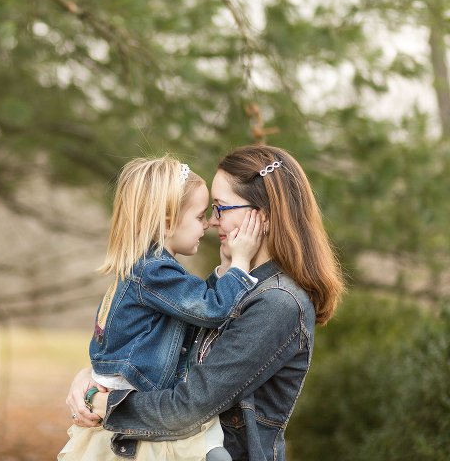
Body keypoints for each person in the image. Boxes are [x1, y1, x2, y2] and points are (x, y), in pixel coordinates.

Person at [66, 145, 344, 461]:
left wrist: (103, 403)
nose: (212, 222)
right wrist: (89, 379)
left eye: (220, 208)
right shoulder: (229, 288)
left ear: (263, 217)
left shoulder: (278, 303)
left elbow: (187, 407)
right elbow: (159, 352)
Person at [59, 155, 262, 461]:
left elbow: (193, 303)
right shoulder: (154, 272)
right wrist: (241, 264)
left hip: (132, 392)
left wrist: (223, 272)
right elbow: (213, 310)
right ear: (168, 224)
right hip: (137, 399)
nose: (207, 224)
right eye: (199, 216)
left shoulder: (148, 268)